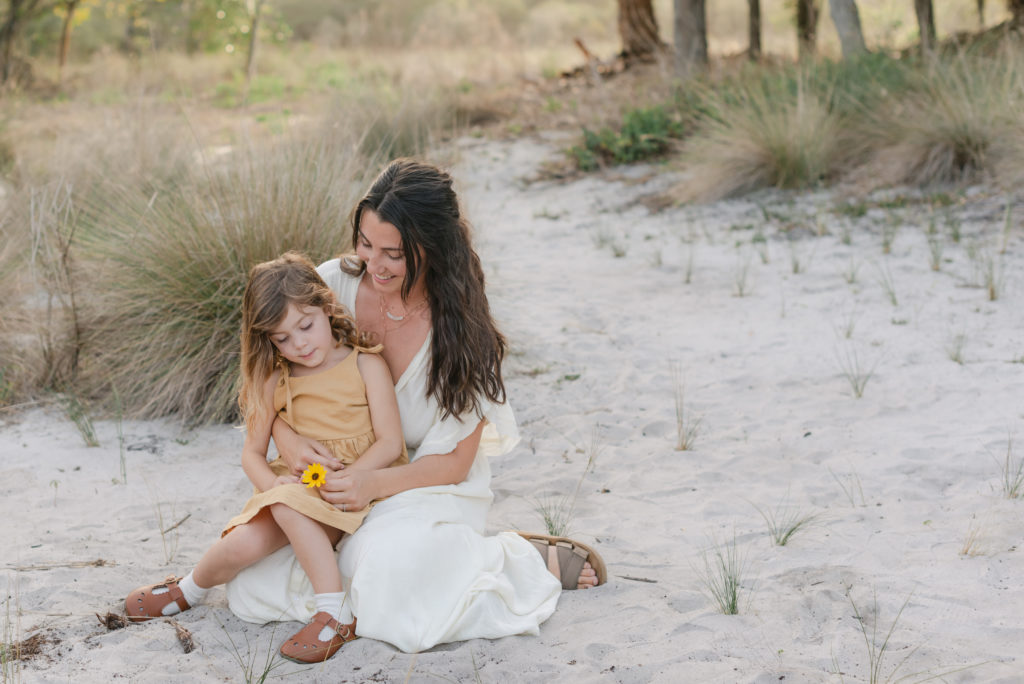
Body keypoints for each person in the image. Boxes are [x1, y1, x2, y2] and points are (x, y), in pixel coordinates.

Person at [224, 159, 607, 654]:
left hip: (421, 483)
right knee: (253, 582)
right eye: (365, 243)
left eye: (394, 254)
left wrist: (371, 484)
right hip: (333, 481)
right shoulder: (328, 288)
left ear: (433, 248)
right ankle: (433, 560)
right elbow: (270, 381)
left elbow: (455, 462)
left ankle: (512, 556)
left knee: (384, 573)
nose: (373, 264)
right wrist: (288, 438)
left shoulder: (463, 333)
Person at [124, 252, 407, 664]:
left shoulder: (366, 364)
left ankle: (334, 611)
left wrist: (354, 478)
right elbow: (252, 455)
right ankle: (189, 589)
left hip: (351, 486)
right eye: (282, 338)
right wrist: (272, 486)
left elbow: (390, 441)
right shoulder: (274, 378)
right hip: (294, 488)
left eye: (306, 326)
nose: (300, 344)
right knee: (241, 544)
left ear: (327, 307)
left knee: (290, 509)